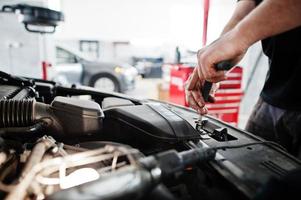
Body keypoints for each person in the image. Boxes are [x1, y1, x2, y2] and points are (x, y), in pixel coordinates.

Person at [185, 0, 301, 158]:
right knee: (242, 168)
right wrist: (215, 60)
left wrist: (239, 37)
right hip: (274, 92)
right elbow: (243, 14)